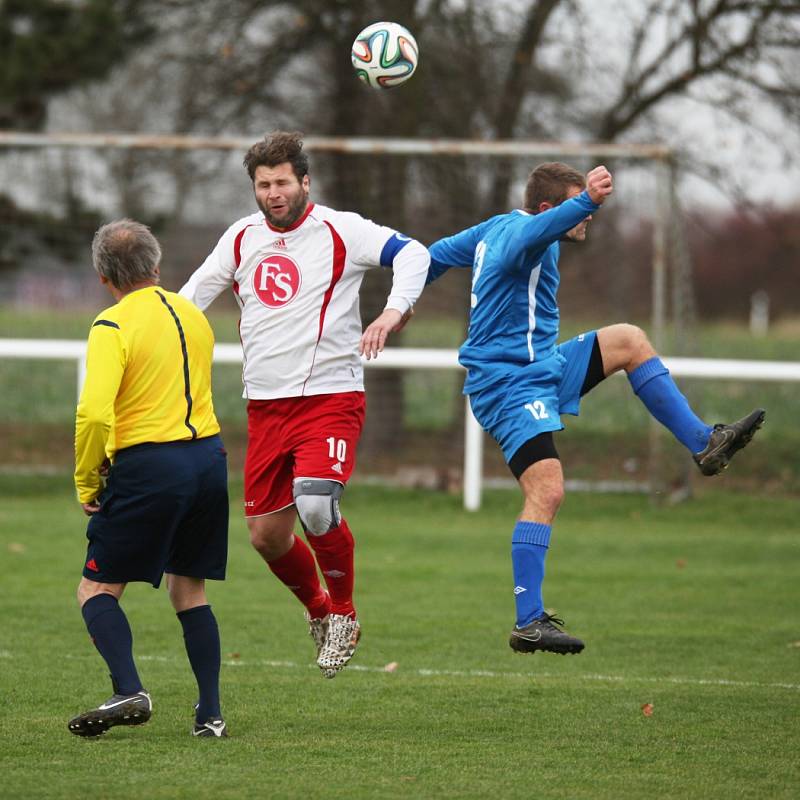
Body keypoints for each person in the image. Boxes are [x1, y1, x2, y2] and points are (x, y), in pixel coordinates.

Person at [426, 162, 765, 656]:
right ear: (550, 209)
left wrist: (401, 293)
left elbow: (434, 256)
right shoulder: (522, 233)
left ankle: (704, 444)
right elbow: (536, 230)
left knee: (628, 340)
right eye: (573, 208)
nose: (586, 219)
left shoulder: (499, 226)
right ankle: (528, 621)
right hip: (506, 384)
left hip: (542, 366)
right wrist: (587, 198)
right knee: (548, 489)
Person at [179, 131, 429, 678]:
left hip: (331, 397)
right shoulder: (241, 239)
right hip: (266, 407)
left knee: (315, 504)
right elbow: (189, 300)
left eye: (282, 182)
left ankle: (343, 612)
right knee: (267, 537)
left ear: (304, 182)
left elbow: (413, 253)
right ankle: (317, 607)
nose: (273, 193)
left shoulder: (343, 229)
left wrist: (392, 312)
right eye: (264, 185)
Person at [69, 219, 230, 738]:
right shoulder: (194, 315)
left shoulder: (112, 325)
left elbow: (94, 415)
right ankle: (210, 715)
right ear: (156, 265)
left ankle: (129, 689)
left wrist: (87, 481)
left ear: (103, 276)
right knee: (190, 590)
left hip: (150, 466)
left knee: (96, 588)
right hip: (208, 460)